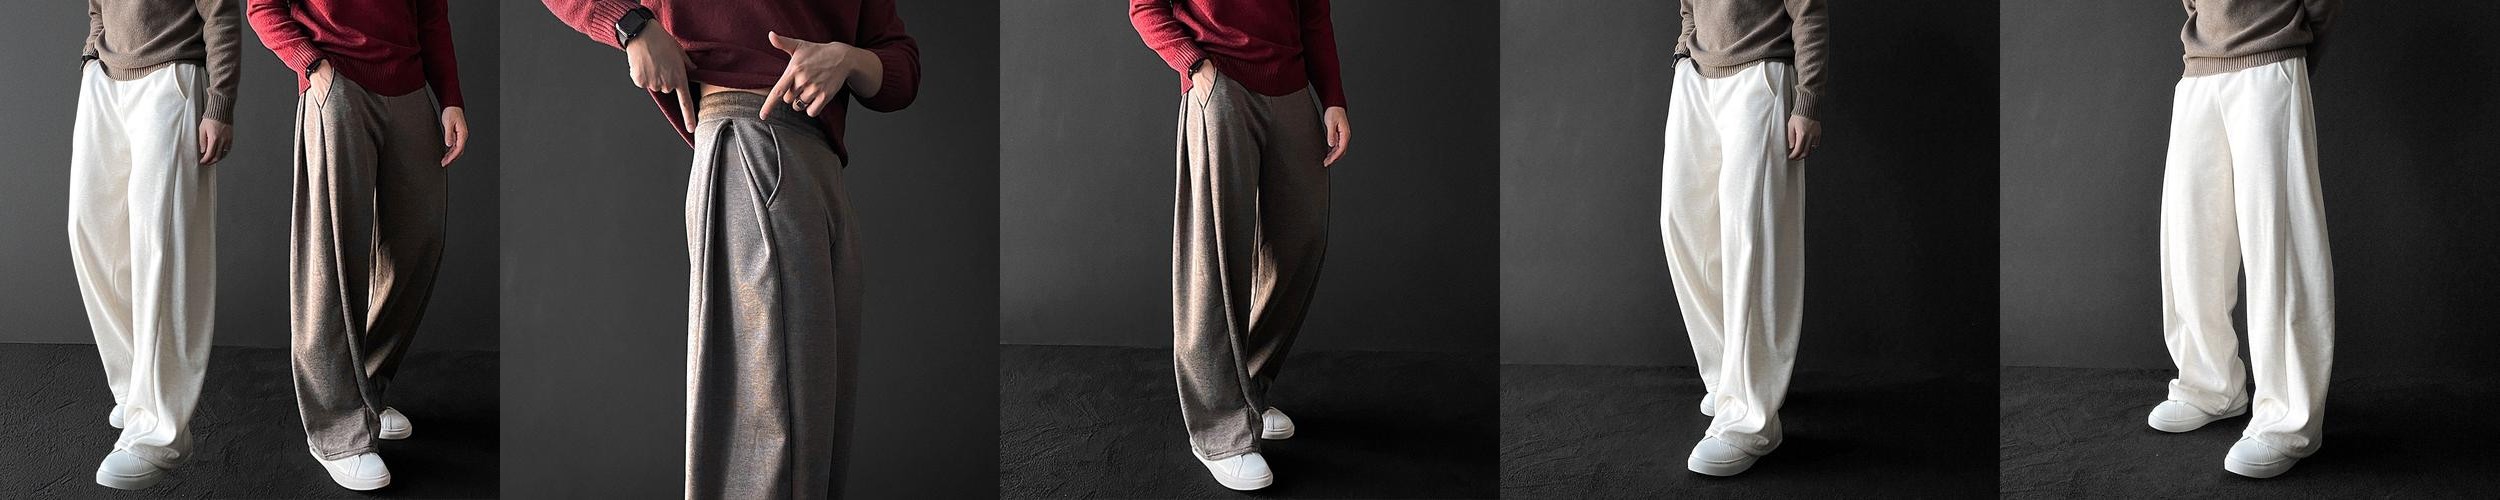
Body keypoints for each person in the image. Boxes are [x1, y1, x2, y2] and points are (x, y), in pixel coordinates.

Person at [538, 0, 918, 497]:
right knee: (768, 440)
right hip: (751, 140)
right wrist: (630, 25)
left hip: (821, 166)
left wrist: (848, 59)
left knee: (814, 442)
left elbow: (900, 67)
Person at [245, 0, 469, 490]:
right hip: (337, 83)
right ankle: (337, 432)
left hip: (409, 86)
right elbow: (262, 7)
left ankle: (364, 390)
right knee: (330, 259)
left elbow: (431, 14)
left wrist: (450, 96)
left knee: (418, 241)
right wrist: (311, 65)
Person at [1130, 0, 1354, 491]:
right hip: (1220, 83)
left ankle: (1246, 392)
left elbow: (1313, 14)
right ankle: (1219, 432)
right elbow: (1145, 7)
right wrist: (1195, 65)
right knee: (1213, 259)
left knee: (1300, 241)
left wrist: (1332, 95)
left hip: (1291, 86)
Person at [2147, 0, 2338, 479]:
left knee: (2279, 246)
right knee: (2191, 240)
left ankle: (2287, 422)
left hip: (2271, 57)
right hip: (2199, 65)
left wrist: (2288, 44)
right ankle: (2209, 385)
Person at [71, 0, 240, 490]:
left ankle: (161, 433)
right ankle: (134, 387)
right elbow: (98, 8)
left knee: (160, 249)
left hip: (170, 78)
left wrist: (219, 102)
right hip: (104, 80)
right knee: (91, 234)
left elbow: (221, 13)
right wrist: (91, 56)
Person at [1658, 0, 1825, 477]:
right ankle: (1727, 376)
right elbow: (1689, 7)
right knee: (1682, 225)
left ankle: (1751, 421)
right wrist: (1683, 54)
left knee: (1749, 240)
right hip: (1696, 77)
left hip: (1760, 74)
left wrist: (1807, 100)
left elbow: (1809, 11)